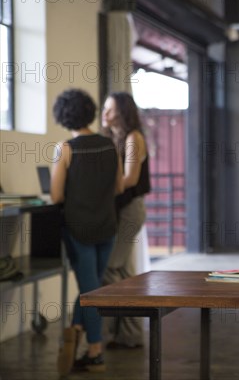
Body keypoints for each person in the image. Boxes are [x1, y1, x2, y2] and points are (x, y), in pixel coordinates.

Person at [52, 89, 124, 374]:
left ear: (63, 116)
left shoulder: (66, 148)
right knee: (92, 287)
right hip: (108, 226)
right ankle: (76, 330)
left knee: (89, 290)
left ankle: (95, 351)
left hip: (78, 228)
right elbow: (119, 187)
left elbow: (56, 196)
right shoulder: (110, 146)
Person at [101, 91, 151, 348]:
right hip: (123, 208)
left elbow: (130, 180)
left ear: (122, 112)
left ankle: (115, 330)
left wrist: (96, 191)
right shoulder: (114, 138)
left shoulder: (133, 138)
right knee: (124, 271)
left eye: (109, 109)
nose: (104, 114)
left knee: (111, 267)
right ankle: (129, 335)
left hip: (131, 209)